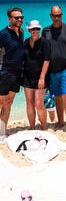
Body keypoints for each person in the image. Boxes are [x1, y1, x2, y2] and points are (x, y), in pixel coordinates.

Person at [0, 8, 24, 140]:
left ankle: (2, 131)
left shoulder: (21, 32)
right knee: (0, 102)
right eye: (16, 18)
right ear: (9, 19)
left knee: (9, 102)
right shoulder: (3, 34)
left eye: (21, 17)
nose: (19, 20)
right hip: (4, 72)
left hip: (16, 73)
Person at [23, 20, 51, 130]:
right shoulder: (26, 42)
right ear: (29, 30)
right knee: (29, 103)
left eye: (38, 29)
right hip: (27, 77)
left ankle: (44, 128)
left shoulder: (45, 42)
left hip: (41, 77)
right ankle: (32, 127)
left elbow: (47, 60)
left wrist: (42, 77)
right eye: (33, 29)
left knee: (39, 104)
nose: (35, 31)